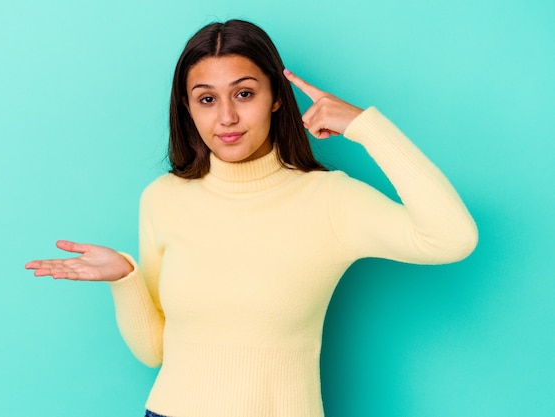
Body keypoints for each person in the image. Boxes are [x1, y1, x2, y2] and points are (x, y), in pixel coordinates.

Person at [25, 19, 478, 417]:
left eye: (244, 93)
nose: (226, 117)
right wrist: (125, 278)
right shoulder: (163, 198)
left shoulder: (329, 199)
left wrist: (366, 127)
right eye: (206, 99)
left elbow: (452, 238)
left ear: (276, 98)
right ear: (187, 108)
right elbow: (154, 352)